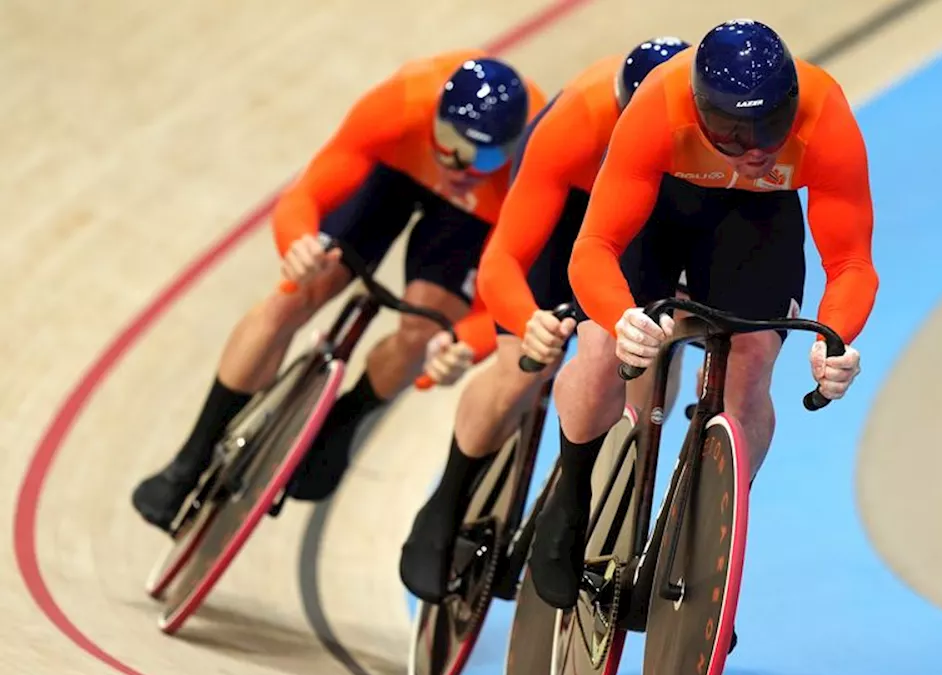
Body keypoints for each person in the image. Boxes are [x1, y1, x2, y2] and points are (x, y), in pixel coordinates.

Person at [527, 18, 878, 611]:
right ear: (697, 109)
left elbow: (850, 263)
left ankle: (711, 540)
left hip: (757, 220)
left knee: (755, 356)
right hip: (665, 207)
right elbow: (594, 249)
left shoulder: (826, 117)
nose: (753, 149)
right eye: (729, 131)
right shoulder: (658, 104)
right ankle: (571, 493)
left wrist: (837, 338)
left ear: (792, 104)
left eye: (769, 127)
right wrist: (620, 319)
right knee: (601, 350)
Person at [130, 51, 546, 531]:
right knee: (298, 293)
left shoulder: (523, 175)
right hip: (394, 173)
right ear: (435, 117)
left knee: (424, 330)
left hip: (472, 222)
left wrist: (461, 345)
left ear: (511, 150)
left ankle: (343, 424)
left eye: (486, 157)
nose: (461, 166)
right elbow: (305, 196)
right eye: (450, 143)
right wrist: (298, 244)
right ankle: (189, 458)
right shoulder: (400, 106)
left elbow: (506, 295)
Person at [396, 37, 690, 604]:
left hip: (649, 207)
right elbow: (503, 258)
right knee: (522, 367)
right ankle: (446, 501)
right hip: (573, 213)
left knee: (650, 353)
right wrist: (527, 320)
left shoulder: (693, 140)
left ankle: (599, 488)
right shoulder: (575, 121)